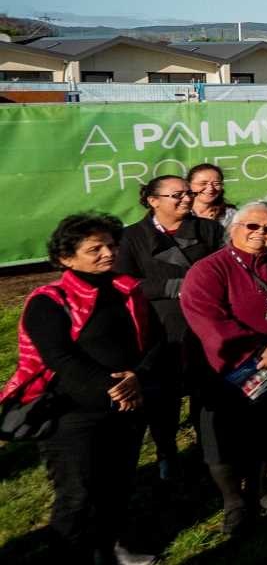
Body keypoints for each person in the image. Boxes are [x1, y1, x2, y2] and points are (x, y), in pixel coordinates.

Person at [1, 213, 165, 563]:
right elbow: (60, 357)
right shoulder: (49, 300)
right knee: (77, 497)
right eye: (95, 249)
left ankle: (111, 549)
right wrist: (114, 388)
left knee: (117, 487)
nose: (108, 253)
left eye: (111, 245)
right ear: (65, 258)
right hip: (72, 416)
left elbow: (154, 340)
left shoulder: (127, 289)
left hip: (126, 409)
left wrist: (137, 377)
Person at [180, 201, 267, 533]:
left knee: (266, 433)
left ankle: (259, 490)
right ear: (234, 229)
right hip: (223, 370)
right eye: (252, 227)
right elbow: (210, 320)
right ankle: (233, 502)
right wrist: (261, 350)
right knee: (222, 440)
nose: (261, 233)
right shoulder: (208, 269)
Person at [114, 174, 224, 481]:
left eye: (188, 193)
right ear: (153, 200)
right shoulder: (131, 237)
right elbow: (122, 282)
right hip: (162, 330)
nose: (187, 199)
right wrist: (173, 285)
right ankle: (167, 453)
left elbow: (224, 267)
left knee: (207, 394)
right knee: (163, 398)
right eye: (177, 195)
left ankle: (210, 452)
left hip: (206, 326)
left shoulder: (210, 229)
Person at [188, 162, 234, 226]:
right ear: (189, 185)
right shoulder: (179, 212)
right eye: (203, 183)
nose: (210, 188)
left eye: (216, 184)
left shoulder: (231, 216)